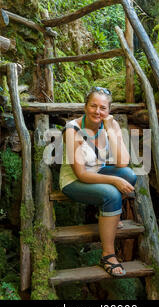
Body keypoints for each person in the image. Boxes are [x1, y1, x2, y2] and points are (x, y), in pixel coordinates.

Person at [59, 86, 137, 277]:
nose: (97, 111)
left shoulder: (110, 125)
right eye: (93, 106)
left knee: (129, 175)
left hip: (98, 171)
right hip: (74, 181)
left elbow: (123, 162)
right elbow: (81, 174)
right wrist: (114, 181)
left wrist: (111, 130)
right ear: (85, 107)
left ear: (108, 110)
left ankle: (109, 214)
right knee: (111, 193)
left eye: (103, 108)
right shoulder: (72, 130)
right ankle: (107, 255)